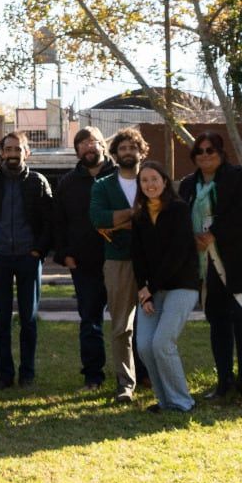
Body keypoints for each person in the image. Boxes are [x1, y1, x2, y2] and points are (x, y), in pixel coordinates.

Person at [178, 132, 242, 405]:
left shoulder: (238, 177)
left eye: (211, 150)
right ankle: (224, 382)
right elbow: (179, 218)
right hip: (207, 267)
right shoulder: (187, 186)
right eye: (200, 151)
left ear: (221, 153)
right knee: (218, 324)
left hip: (241, 265)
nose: (205, 155)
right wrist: (192, 239)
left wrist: (215, 233)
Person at [0, 131, 52, 388]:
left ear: (26, 152)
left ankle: (27, 373)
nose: (12, 154)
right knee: (1, 318)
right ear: (1, 153)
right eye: (8, 149)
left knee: (28, 318)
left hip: (28, 258)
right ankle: (5, 373)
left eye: (18, 149)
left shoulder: (38, 182)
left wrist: (38, 251)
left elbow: (48, 222)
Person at [129, 160, 200, 414]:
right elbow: (138, 257)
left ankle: (182, 401)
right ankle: (164, 401)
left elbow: (178, 253)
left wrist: (152, 287)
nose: (150, 184)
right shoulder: (138, 216)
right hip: (151, 291)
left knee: (162, 343)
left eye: (154, 179)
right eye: (144, 180)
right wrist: (143, 291)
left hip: (181, 285)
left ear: (165, 181)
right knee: (145, 346)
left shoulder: (179, 209)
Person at [89, 127, 149, 403]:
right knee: (121, 326)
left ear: (141, 152)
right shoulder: (103, 185)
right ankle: (125, 384)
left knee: (154, 324)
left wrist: (120, 223)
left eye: (132, 148)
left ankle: (155, 377)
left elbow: (165, 215)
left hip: (153, 260)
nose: (127, 152)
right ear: (115, 154)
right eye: (122, 149)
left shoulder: (152, 180)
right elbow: (98, 219)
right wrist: (135, 214)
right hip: (117, 261)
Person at [53, 126, 111, 389]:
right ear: (76, 150)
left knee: (129, 322)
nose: (89, 147)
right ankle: (93, 375)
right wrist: (65, 255)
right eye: (83, 143)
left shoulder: (121, 175)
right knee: (90, 322)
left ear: (103, 146)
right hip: (84, 264)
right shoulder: (67, 183)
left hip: (120, 260)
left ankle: (137, 373)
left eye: (94, 142)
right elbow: (59, 222)